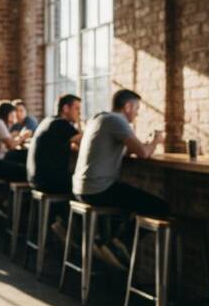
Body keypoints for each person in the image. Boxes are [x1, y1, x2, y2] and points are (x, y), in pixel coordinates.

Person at [72, 89, 168, 270]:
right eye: (137, 108)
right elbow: (143, 153)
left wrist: (142, 145)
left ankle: (108, 244)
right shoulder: (117, 121)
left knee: (128, 208)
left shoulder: (99, 118)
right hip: (98, 189)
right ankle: (117, 246)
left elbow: (126, 149)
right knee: (161, 207)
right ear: (128, 106)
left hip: (81, 187)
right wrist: (157, 140)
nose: (138, 112)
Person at [26, 94, 82, 241]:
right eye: (76, 108)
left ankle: (61, 227)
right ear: (65, 108)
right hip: (48, 181)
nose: (79, 113)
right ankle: (87, 239)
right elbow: (87, 142)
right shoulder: (61, 124)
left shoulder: (48, 121)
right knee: (85, 189)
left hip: (36, 179)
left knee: (79, 187)